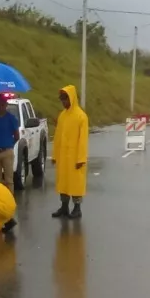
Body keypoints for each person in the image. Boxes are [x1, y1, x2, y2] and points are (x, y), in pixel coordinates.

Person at [51, 85, 89, 219]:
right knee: (63, 182)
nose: (63, 102)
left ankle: (77, 208)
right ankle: (64, 207)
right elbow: (57, 137)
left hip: (75, 158)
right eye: (62, 100)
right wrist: (55, 155)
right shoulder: (62, 116)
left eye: (65, 99)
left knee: (75, 183)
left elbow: (83, 140)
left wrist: (81, 159)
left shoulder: (81, 116)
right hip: (63, 156)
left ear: (71, 98)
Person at [0, 92, 20, 232]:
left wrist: (10, 145)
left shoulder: (12, 118)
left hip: (7, 151)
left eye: (4, 104)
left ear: (6, 105)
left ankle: (9, 206)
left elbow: (16, 135)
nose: (1, 106)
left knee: (9, 180)